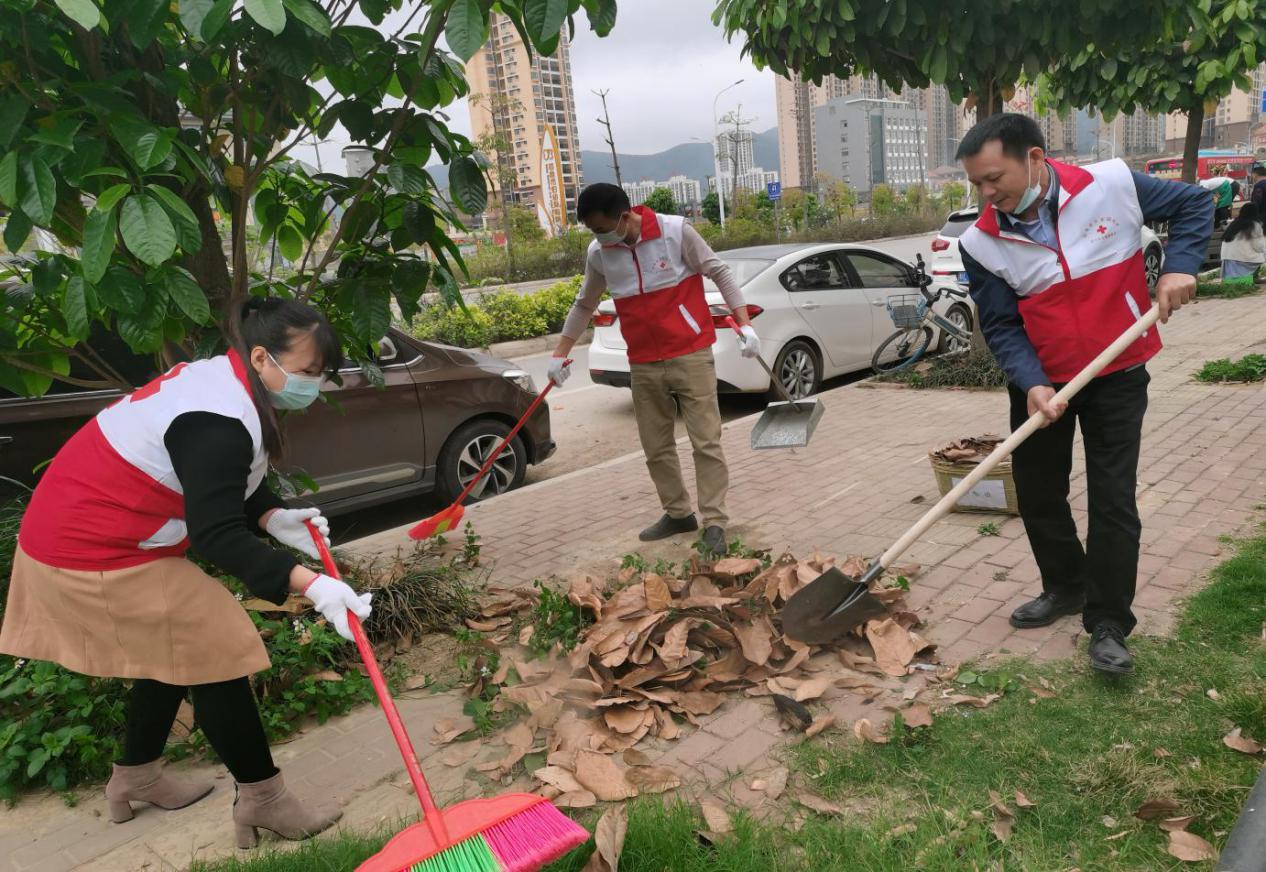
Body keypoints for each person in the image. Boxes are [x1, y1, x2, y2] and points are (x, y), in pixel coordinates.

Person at [0, 298, 372, 847]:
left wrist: (271, 515)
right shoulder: (215, 416)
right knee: (214, 642)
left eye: (320, 374)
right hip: (85, 548)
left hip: (99, 534)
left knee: (175, 646)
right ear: (262, 357)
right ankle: (264, 800)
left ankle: (136, 777)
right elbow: (217, 532)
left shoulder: (225, 381)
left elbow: (218, 478)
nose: (312, 386)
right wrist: (313, 585)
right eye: (308, 371)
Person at [956, 113, 1212, 675]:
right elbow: (1001, 324)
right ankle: (1065, 585)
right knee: (1038, 490)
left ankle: (1109, 621)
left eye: (994, 178)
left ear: (1035, 159)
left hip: (1118, 370)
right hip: (1042, 381)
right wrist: (1032, 382)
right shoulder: (980, 242)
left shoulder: (1111, 184)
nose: (986, 193)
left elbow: (1195, 204)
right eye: (977, 183)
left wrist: (1180, 267)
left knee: (1112, 498)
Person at [549, 183, 759, 556]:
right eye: (593, 231)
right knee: (656, 446)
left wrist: (744, 324)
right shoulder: (599, 253)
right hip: (643, 361)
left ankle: (714, 522)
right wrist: (558, 354)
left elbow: (720, 272)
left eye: (602, 228)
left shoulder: (675, 232)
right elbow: (584, 304)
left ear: (624, 217)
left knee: (706, 441)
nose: (599, 237)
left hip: (690, 353)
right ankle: (678, 513)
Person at [1220, 202, 1266, 283]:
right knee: (1264, 250)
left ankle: (1242, 280)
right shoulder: (1255, 225)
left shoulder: (1233, 223)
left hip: (1227, 258)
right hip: (1242, 259)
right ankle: (1252, 278)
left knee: (1232, 282)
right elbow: (1259, 247)